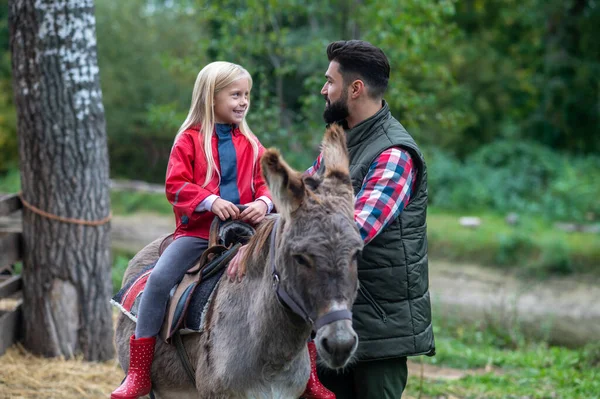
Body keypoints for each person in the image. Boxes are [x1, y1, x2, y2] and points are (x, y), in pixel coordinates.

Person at [111, 61, 274, 399]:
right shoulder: (189, 140)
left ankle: (309, 370)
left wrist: (264, 204)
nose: (243, 102)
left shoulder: (251, 142)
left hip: (246, 236)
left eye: (247, 95)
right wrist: (210, 201)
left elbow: (264, 185)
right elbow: (175, 186)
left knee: (289, 275)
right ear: (210, 98)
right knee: (157, 283)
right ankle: (140, 371)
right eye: (235, 95)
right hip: (198, 234)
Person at [306, 40, 436, 398]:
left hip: (378, 326)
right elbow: (304, 191)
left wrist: (294, 231)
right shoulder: (343, 141)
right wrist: (262, 206)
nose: (324, 90)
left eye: (330, 82)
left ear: (356, 88)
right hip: (337, 317)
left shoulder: (394, 152)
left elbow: (353, 230)